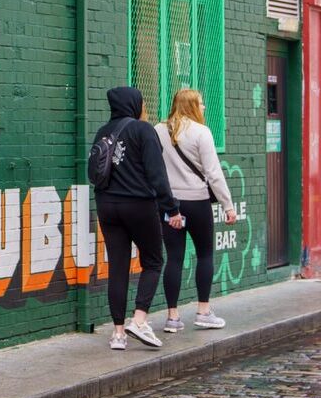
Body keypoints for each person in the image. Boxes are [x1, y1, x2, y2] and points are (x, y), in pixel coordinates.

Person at [92, 86, 183, 350]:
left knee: (117, 267)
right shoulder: (144, 130)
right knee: (154, 261)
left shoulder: (103, 132)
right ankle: (139, 319)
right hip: (139, 205)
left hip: (107, 205)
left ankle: (118, 334)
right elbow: (157, 175)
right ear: (134, 105)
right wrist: (172, 209)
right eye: (142, 103)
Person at [156, 88, 238, 332]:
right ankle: (203, 311)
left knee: (174, 258)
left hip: (170, 204)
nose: (204, 107)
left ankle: (172, 317)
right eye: (201, 103)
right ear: (191, 105)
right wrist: (228, 205)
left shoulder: (159, 130)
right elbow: (213, 173)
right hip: (197, 202)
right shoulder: (202, 132)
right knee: (204, 255)